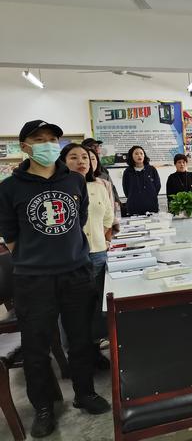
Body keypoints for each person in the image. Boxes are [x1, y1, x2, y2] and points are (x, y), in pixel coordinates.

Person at [0, 120, 110, 438]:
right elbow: (10, 236)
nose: (48, 144)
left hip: (75, 272)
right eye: (39, 139)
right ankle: (44, 407)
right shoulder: (9, 188)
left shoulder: (74, 182)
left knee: (80, 339)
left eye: (53, 139)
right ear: (24, 146)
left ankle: (85, 394)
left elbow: (81, 219)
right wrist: (38, 257)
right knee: (36, 348)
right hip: (33, 279)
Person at [59, 143, 113, 371]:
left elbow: (108, 218)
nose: (82, 162)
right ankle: (75, 355)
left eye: (86, 158)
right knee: (73, 310)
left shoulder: (99, 186)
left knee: (94, 307)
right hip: (70, 259)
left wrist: (105, 240)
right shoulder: (58, 188)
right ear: (62, 162)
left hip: (98, 254)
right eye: (74, 157)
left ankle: (93, 351)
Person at [121, 145, 161, 215]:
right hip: (134, 207)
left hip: (151, 206)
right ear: (131, 156)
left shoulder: (151, 169)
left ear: (144, 155)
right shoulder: (127, 172)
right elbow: (126, 190)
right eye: (136, 154)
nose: (139, 155)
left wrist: (150, 195)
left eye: (141, 153)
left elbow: (157, 186)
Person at [88, 148, 120, 235]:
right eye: (85, 157)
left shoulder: (103, 183)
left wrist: (106, 238)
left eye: (93, 158)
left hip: (101, 235)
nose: (89, 162)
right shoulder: (69, 184)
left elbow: (109, 215)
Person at [81, 138, 121, 206]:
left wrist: (116, 200)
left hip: (106, 204)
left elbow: (111, 186)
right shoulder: (80, 170)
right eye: (93, 146)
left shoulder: (103, 170)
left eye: (98, 146)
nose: (97, 149)